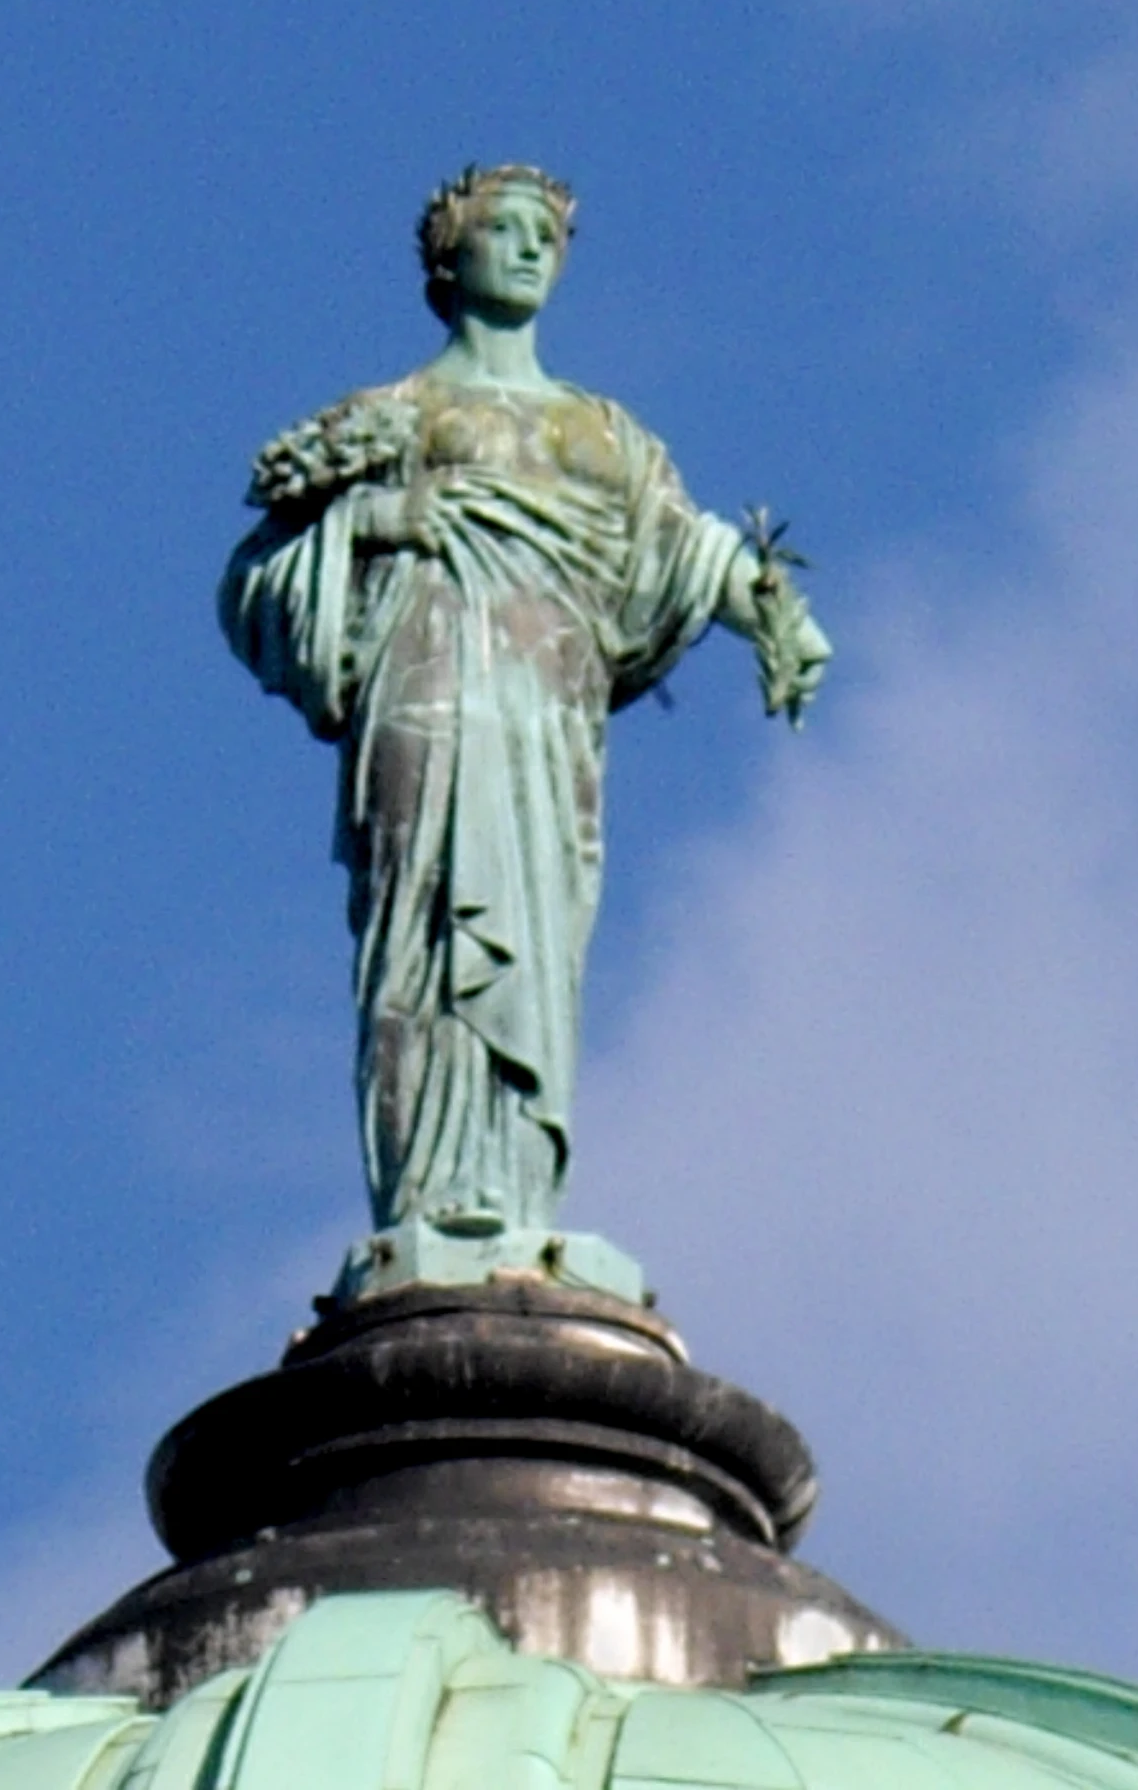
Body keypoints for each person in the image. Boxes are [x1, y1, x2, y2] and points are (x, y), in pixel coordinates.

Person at [220, 164, 829, 1236]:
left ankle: (515, 1194)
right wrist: (373, 524)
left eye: (546, 233)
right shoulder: (391, 416)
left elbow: (685, 545)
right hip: (428, 694)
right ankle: (427, 1198)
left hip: (550, 720)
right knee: (424, 928)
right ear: (449, 256)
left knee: (539, 940)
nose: (531, 248)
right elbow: (253, 584)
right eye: (504, 229)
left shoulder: (602, 432)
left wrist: (776, 613)